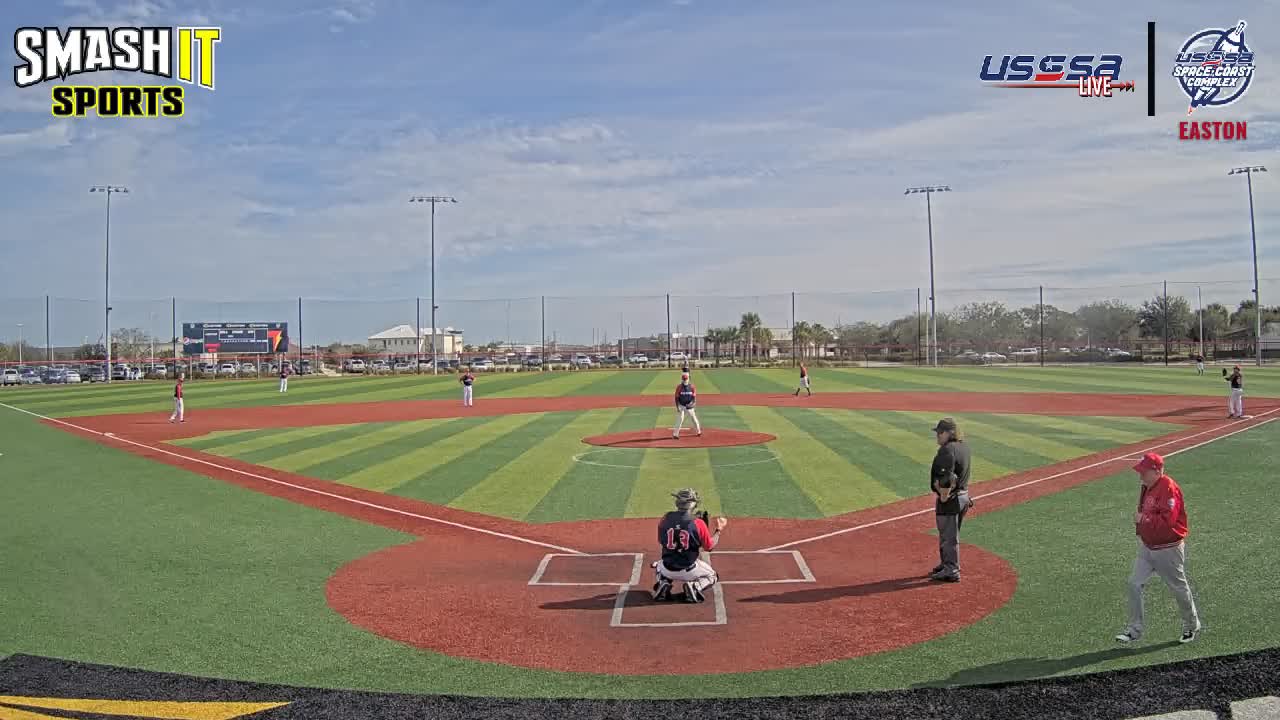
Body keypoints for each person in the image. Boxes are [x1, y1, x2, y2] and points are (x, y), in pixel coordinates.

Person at [1115, 452, 1201, 644]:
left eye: (1144, 472)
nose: (1140, 475)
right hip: (1148, 547)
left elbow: (1168, 521)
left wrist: (1143, 519)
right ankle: (1134, 630)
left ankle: (1191, 625)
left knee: (1178, 588)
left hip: (1168, 549)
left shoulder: (1168, 488)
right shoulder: (1148, 486)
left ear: (1157, 471)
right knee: (1134, 584)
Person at [651, 488, 727, 603]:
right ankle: (695, 587)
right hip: (689, 570)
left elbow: (662, 540)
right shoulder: (698, 523)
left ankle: (663, 582)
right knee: (713, 576)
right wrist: (718, 530)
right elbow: (709, 547)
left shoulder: (665, 518)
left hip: (667, 567)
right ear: (692, 504)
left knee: (658, 564)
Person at [928, 417, 972, 583]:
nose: (938, 435)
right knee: (949, 534)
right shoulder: (963, 447)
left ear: (949, 433)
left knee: (948, 536)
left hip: (951, 500)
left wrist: (943, 495)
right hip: (963, 496)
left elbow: (947, 477)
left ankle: (951, 569)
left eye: (940, 432)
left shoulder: (947, 450)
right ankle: (946, 563)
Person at [672, 372, 701, 439]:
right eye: (684, 379)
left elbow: (694, 399)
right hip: (681, 405)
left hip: (689, 406)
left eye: (686, 379)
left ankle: (698, 431)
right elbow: (676, 398)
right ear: (682, 379)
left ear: (688, 379)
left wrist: (692, 404)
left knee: (694, 418)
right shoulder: (679, 387)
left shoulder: (692, 387)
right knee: (680, 419)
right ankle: (675, 434)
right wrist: (678, 407)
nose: (685, 380)